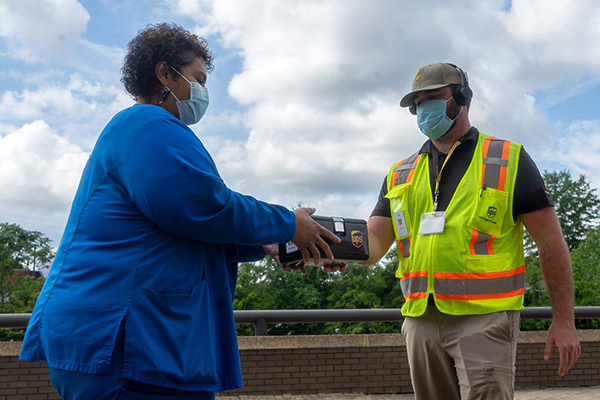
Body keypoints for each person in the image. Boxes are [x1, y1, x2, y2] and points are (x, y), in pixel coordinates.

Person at [19, 23, 340, 400]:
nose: (203, 92)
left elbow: (180, 228)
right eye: (198, 79)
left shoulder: (140, 130)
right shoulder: (148, 125)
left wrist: (268, 243)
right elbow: (202, 206)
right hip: (126, 338)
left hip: (120, 336)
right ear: (164, 73)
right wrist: (287, 223)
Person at [363, 62, 581, 399]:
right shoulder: (400, 172)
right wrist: (334, 251)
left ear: (462, 97)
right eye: (417, 103)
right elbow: (374, 242)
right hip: (421, 318)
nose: (423, 109)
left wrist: (564, 320)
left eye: (432, 98)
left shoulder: (509, 159)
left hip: (485, 319)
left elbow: (551, 241)